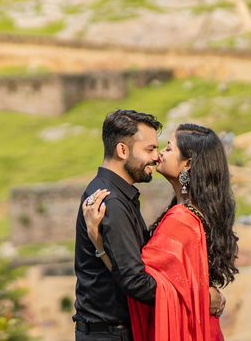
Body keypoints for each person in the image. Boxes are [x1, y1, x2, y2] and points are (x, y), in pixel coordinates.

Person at [83, 123, 238, 341]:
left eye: (168, 148)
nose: (159, 156)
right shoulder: (196, 211)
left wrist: (99, 244)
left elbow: (142, 283)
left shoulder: (181, 219)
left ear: (188, 164)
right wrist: (204, 296)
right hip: (200, 325)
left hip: (189, 329)